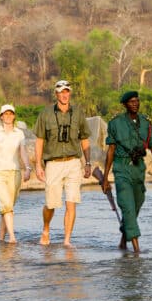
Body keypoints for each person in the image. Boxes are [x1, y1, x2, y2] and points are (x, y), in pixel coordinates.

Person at [101, 91, 152, 253]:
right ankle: (136, 250)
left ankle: (123, 241)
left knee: (136, 204)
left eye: (137, 101)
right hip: (121, 167)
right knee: (127, 205)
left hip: (139, 168)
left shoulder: (146, 123)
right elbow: (111, 150)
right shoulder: (115, 123)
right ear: (124, 104)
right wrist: (105, 177)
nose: (135, 104)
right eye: (131, 101)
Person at [34, 80, 92, 247]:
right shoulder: (45, 114)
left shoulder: (79, 113)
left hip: (74, 163)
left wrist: (87, 163)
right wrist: (38, 165)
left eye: (67, 91)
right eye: (61, 92)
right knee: (51, 204)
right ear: (56, 94)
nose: (65, 94)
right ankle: (46, 229)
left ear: (69, 93)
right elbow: (39, 141)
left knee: (71, 202)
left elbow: (85, 140)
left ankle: (67, 240)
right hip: (53, 163)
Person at [0, 104, 31, 243]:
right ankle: (12, 238)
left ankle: (1, 238)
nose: (8, 116)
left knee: (7, 206)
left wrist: (28, 168)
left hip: (15, 173)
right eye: (5, 114)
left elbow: (23, 153)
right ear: (1, 116)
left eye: (11, 113)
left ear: (14, 116)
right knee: (7, 206)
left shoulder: (19, 133)